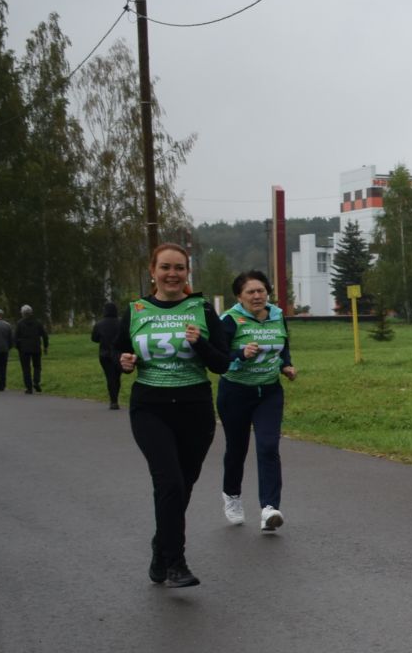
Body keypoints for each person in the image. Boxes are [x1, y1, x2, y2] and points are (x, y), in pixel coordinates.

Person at [116, 243, 234, 588]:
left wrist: (200, 344)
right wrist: (122, 362)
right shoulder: (136, 309)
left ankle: (160, 548)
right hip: (150, 407)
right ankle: (176, 562)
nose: (172, 274)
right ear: (152, 271)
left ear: (187, 273)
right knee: (168, 481)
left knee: (182, 486)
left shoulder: (201, 309)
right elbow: (116, 351)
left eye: (179, 268)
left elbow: (222, 363)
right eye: (165, 267)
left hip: (194, 408)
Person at [217, 269, 296, 532]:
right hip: (235, 392)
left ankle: (269, 508)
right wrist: (240, 352)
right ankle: (232, 495)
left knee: (268, 446)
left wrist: (287, 365)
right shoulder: (229, 320)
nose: (257, 295)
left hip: (269, 392)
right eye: (250, 291)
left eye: (261, 290)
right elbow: (215, 355)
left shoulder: (277, 315)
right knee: (237, 448)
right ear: (239, 296)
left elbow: (283, 345)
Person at [89, 302, 126, 408]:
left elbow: (94, 338)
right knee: (117, 377)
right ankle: (115, 399)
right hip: (118, 354)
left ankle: (113, 400)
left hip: (104, 354)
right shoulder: (121, 323)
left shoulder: (99, 324)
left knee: (109, 377)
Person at [13, 304, 48, 393]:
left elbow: (15, 337)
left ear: (22, 313)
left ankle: (29, 387)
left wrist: (17, 346)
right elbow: (44, 335)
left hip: (24, 349)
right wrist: (45, 346)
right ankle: (36, 381)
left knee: (26, 368)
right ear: (31, 312)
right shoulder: (38, 322)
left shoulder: (20, 323)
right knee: (37, 366)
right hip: (36, 347)